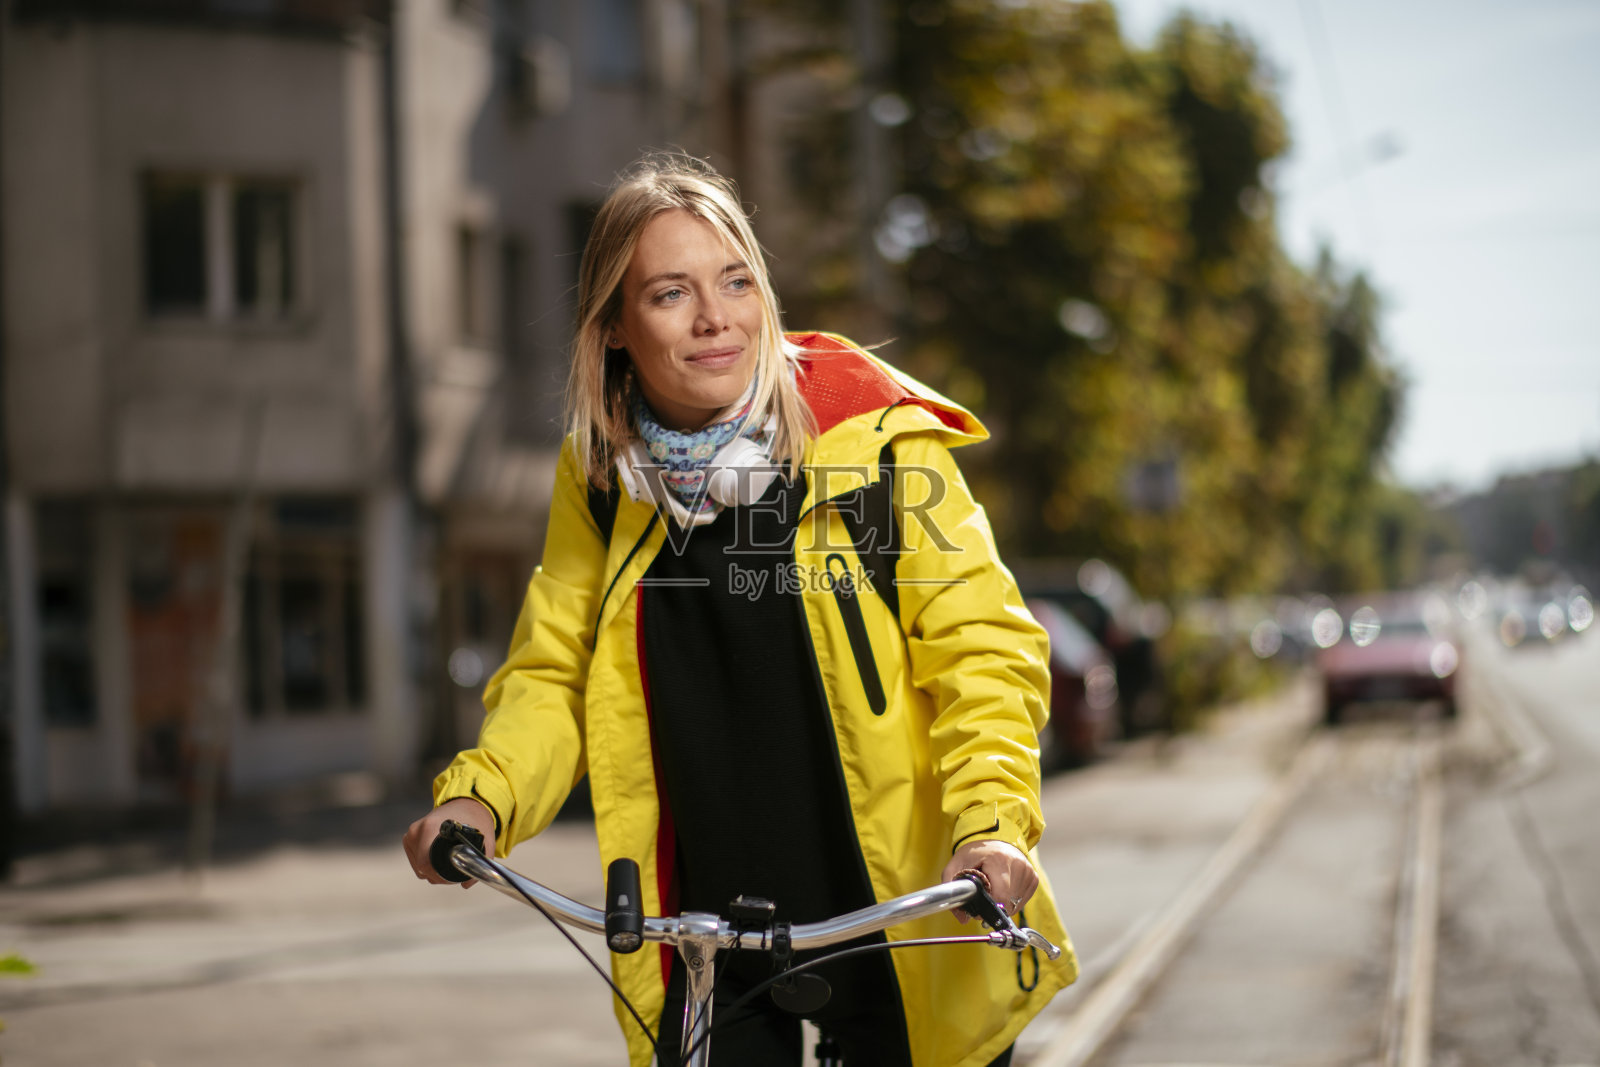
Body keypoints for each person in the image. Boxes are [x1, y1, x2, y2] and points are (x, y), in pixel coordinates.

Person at [402, 153, 1077, 1067]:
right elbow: (552, 671)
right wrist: (481, 798)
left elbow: (983, 649)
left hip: (898, 909)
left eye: (734, 281)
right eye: (671, 293)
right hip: (706, 936)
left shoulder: (873, 444)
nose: (716, 318)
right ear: (612, 328)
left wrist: (991, 821)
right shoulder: (601, 483)